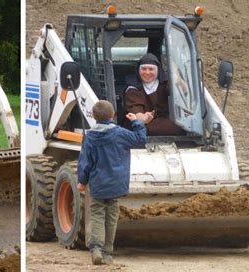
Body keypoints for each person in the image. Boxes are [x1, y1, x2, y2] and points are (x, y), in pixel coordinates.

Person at [77, 100, 147, 265]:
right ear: (113, 115)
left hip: (98, 184)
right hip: (117, 184)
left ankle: (96, 249)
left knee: (97, 214)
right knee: (112, 217)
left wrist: (82, 181)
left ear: (93, 117)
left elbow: (85, 162)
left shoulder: (89, 137)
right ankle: (107, 252)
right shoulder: (121, 133)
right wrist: (137, 122)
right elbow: (140, 140)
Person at [124, 53, 185, 136]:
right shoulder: (133, 88)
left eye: (151, 69)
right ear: (139, 70)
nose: (147, 72)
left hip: (163, 121)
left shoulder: (165, 83)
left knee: (178, 125)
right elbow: (135, 111)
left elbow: (182, 93)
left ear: (157, 70)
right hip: (142, 122)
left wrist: (176, 75)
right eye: (144, 69)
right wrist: (143, 118)